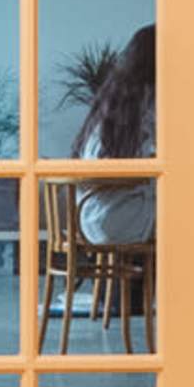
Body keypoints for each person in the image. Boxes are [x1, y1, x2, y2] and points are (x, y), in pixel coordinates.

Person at [69, 26, 156, 246]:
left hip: (90, 217)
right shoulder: (146, 104)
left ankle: (144, 279)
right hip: (117, 216)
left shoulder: (113, 101)